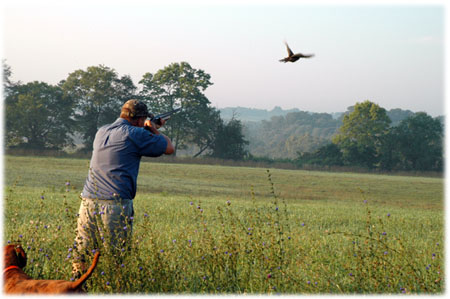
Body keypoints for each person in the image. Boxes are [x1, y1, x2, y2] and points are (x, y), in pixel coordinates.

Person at [72, 99, 174, 276]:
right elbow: (169, 148)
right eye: (143, 120)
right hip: (114, 204)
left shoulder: (101, 131)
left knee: (82, 254)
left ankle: (74, 287)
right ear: (139, 119)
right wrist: (153, 128)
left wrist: (145, 127)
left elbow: (125, 139)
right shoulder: (137, 133)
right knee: (116, 258)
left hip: (87, 201)